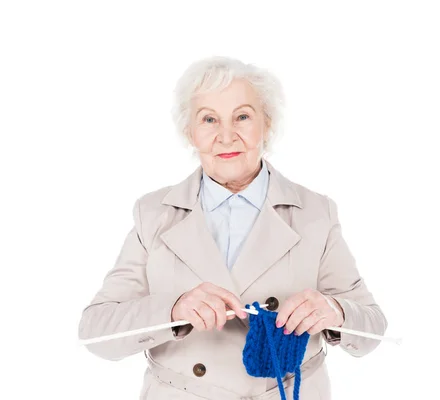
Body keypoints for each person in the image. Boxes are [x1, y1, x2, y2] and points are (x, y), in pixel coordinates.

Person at [78, 56, 388, 400]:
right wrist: (174, 310)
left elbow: (373, 331)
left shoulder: (316, 213)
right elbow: (96, 334)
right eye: (209, 119)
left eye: (242, 116)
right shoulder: (152, 214)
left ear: (266, 125)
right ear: (190, 132)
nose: (226, 136)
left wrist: (336, 312)